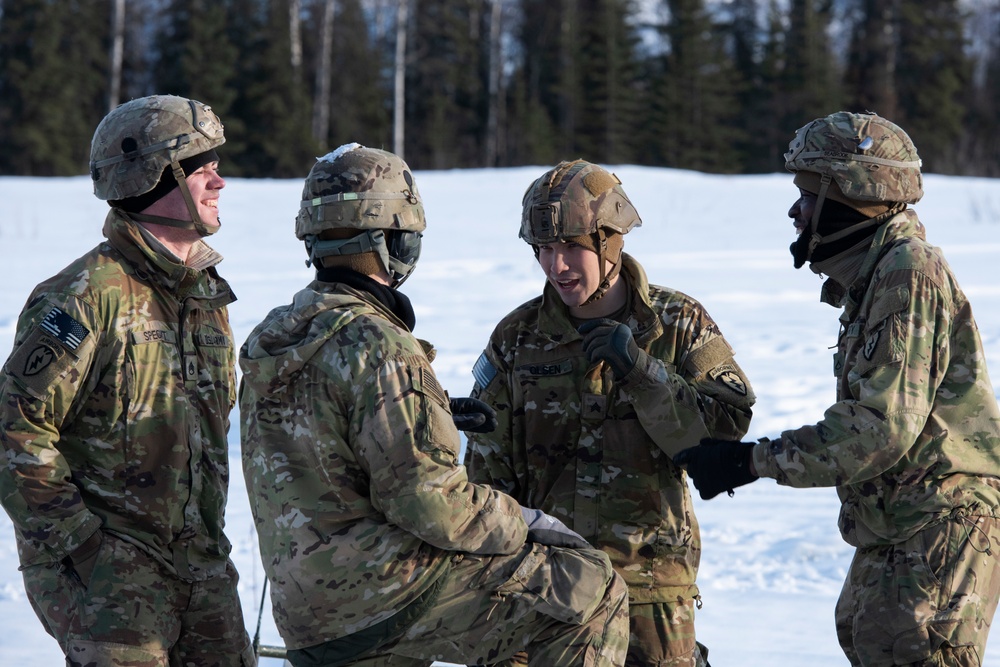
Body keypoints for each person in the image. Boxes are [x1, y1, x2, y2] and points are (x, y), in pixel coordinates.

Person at [238, 144, 630, 667]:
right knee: (591, 591)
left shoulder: (274, 337)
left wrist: (432, 412)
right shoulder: (379, 344)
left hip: (307, 609)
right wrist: (525, 520)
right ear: (396, 240)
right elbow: (430, 505)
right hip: (385, 597)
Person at [675, 111, 1000, 666]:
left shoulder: (907, 272)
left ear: (848, 196)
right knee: (866, 634)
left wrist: (755, 462)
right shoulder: (876, 277)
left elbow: (880, 428)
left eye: (807, 193)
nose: (795, 211)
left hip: (938, 522)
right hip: (900, 524)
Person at [463, 159, 756, 667]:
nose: (557, 267)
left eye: (571, 247)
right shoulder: (517, 338)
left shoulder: (677, 323)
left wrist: (641, 371)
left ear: (611, 241)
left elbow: (728, 431)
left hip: (652, 590)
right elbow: (488, 477)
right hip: (545, 588)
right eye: (544, 250)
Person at [0, 94, 255, 665]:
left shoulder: (206, 295)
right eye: (200, 167)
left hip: (203, 565)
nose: (219, 182)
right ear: (151, 176)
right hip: (112, 576)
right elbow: (14, 430)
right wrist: (83, 547)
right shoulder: (86, 295)